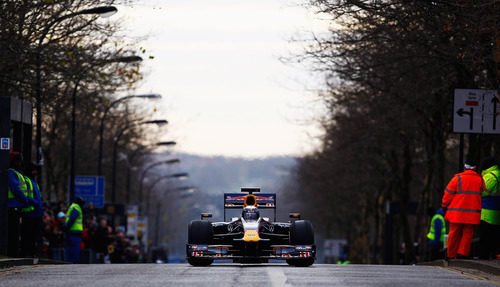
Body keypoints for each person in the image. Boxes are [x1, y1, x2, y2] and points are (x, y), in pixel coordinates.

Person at [441, 158, 484, 259]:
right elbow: (482, 191)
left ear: (465, 167)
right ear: (475, 168)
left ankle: (451, 255)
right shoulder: (480, 180)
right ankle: (462, 254)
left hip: (457, 213)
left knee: (454, 233)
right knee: (468, 233)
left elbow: (448, 194)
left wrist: (444, 205)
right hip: (472, 214)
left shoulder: (457, 179)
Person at [7, 152, 36, 257]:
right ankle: (12, 253)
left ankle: (14, 252)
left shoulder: (17, 173)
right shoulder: (12, 173)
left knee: (16, 232)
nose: (20, 163)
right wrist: (25, 199)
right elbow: (16, 189)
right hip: (13, 205)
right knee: (13, 231)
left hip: (18, 206)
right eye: (18, 161)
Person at [20, 164, 44, 258]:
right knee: (28, 235)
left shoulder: (34, 182)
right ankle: (27, 253)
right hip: (30, 212)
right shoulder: (26, 180)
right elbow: (25, 195)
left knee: (34, 235)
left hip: (36, 213)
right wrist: (35, 203)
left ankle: (33, 253)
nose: (36, 172)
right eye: (34, 170)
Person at [479, 156, 500, 259]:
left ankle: (484, 256)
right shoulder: (497, 174)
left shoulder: (490, 176)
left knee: (485, 237)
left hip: (487, 213)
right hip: (496, 212)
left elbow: (480, 191)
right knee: (494, 236)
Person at [64, 197, 85, 263]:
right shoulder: (77, 207)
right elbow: (72, 219)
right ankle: (72, 262)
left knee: (69, 249)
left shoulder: (72, 206)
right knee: (74, 249)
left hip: (71, 231)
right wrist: (67, 227)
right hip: (74, 232)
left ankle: (68, 262)